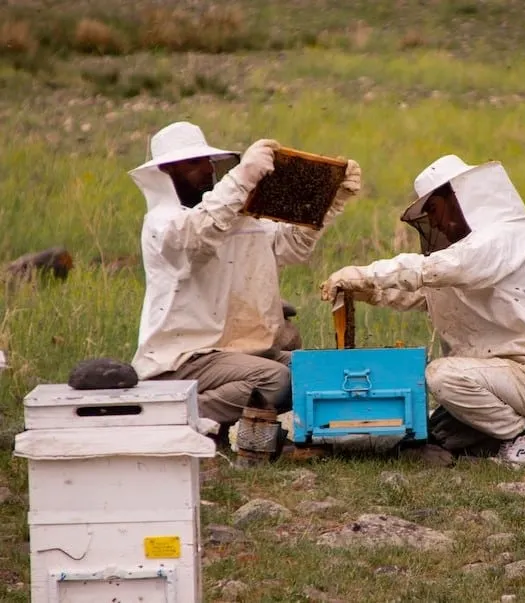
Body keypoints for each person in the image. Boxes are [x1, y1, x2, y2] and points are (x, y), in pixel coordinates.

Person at [320, 154, 525, 470]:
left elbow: (445, 268)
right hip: (505, 375)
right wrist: (370, 290)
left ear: (459, 198)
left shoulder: (503, 240)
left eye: (434, 210)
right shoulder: (471, 255)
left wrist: (368, 273)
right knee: (439, 431)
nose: (434, 222)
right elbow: (430, 293)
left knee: (443, 376)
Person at [129, 121, 361, 445]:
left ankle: (210, 422)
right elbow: (200, 234)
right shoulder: (164, 224)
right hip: (184, 359)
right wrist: (243, 177)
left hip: (237, 352)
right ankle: (163, 415)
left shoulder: (240, 218)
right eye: (193, 164)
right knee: (275, 380)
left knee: (314, 373)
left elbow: (290, 246)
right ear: (167, 173)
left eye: (207, 161)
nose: (206, 170)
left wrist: (328, 200)